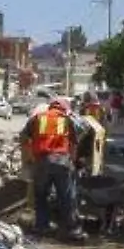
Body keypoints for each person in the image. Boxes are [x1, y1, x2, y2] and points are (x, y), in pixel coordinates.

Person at [20, 98, 85, 241]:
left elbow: (23, 137)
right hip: (62, 162)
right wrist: (73, 162)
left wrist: (30, 157)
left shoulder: (38, 118)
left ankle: (42, 227)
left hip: (42, 162)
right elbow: (74, 144)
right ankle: (71, 229)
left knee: (41, 196)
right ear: (63, 108)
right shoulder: (66, 119)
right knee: (66, 197)